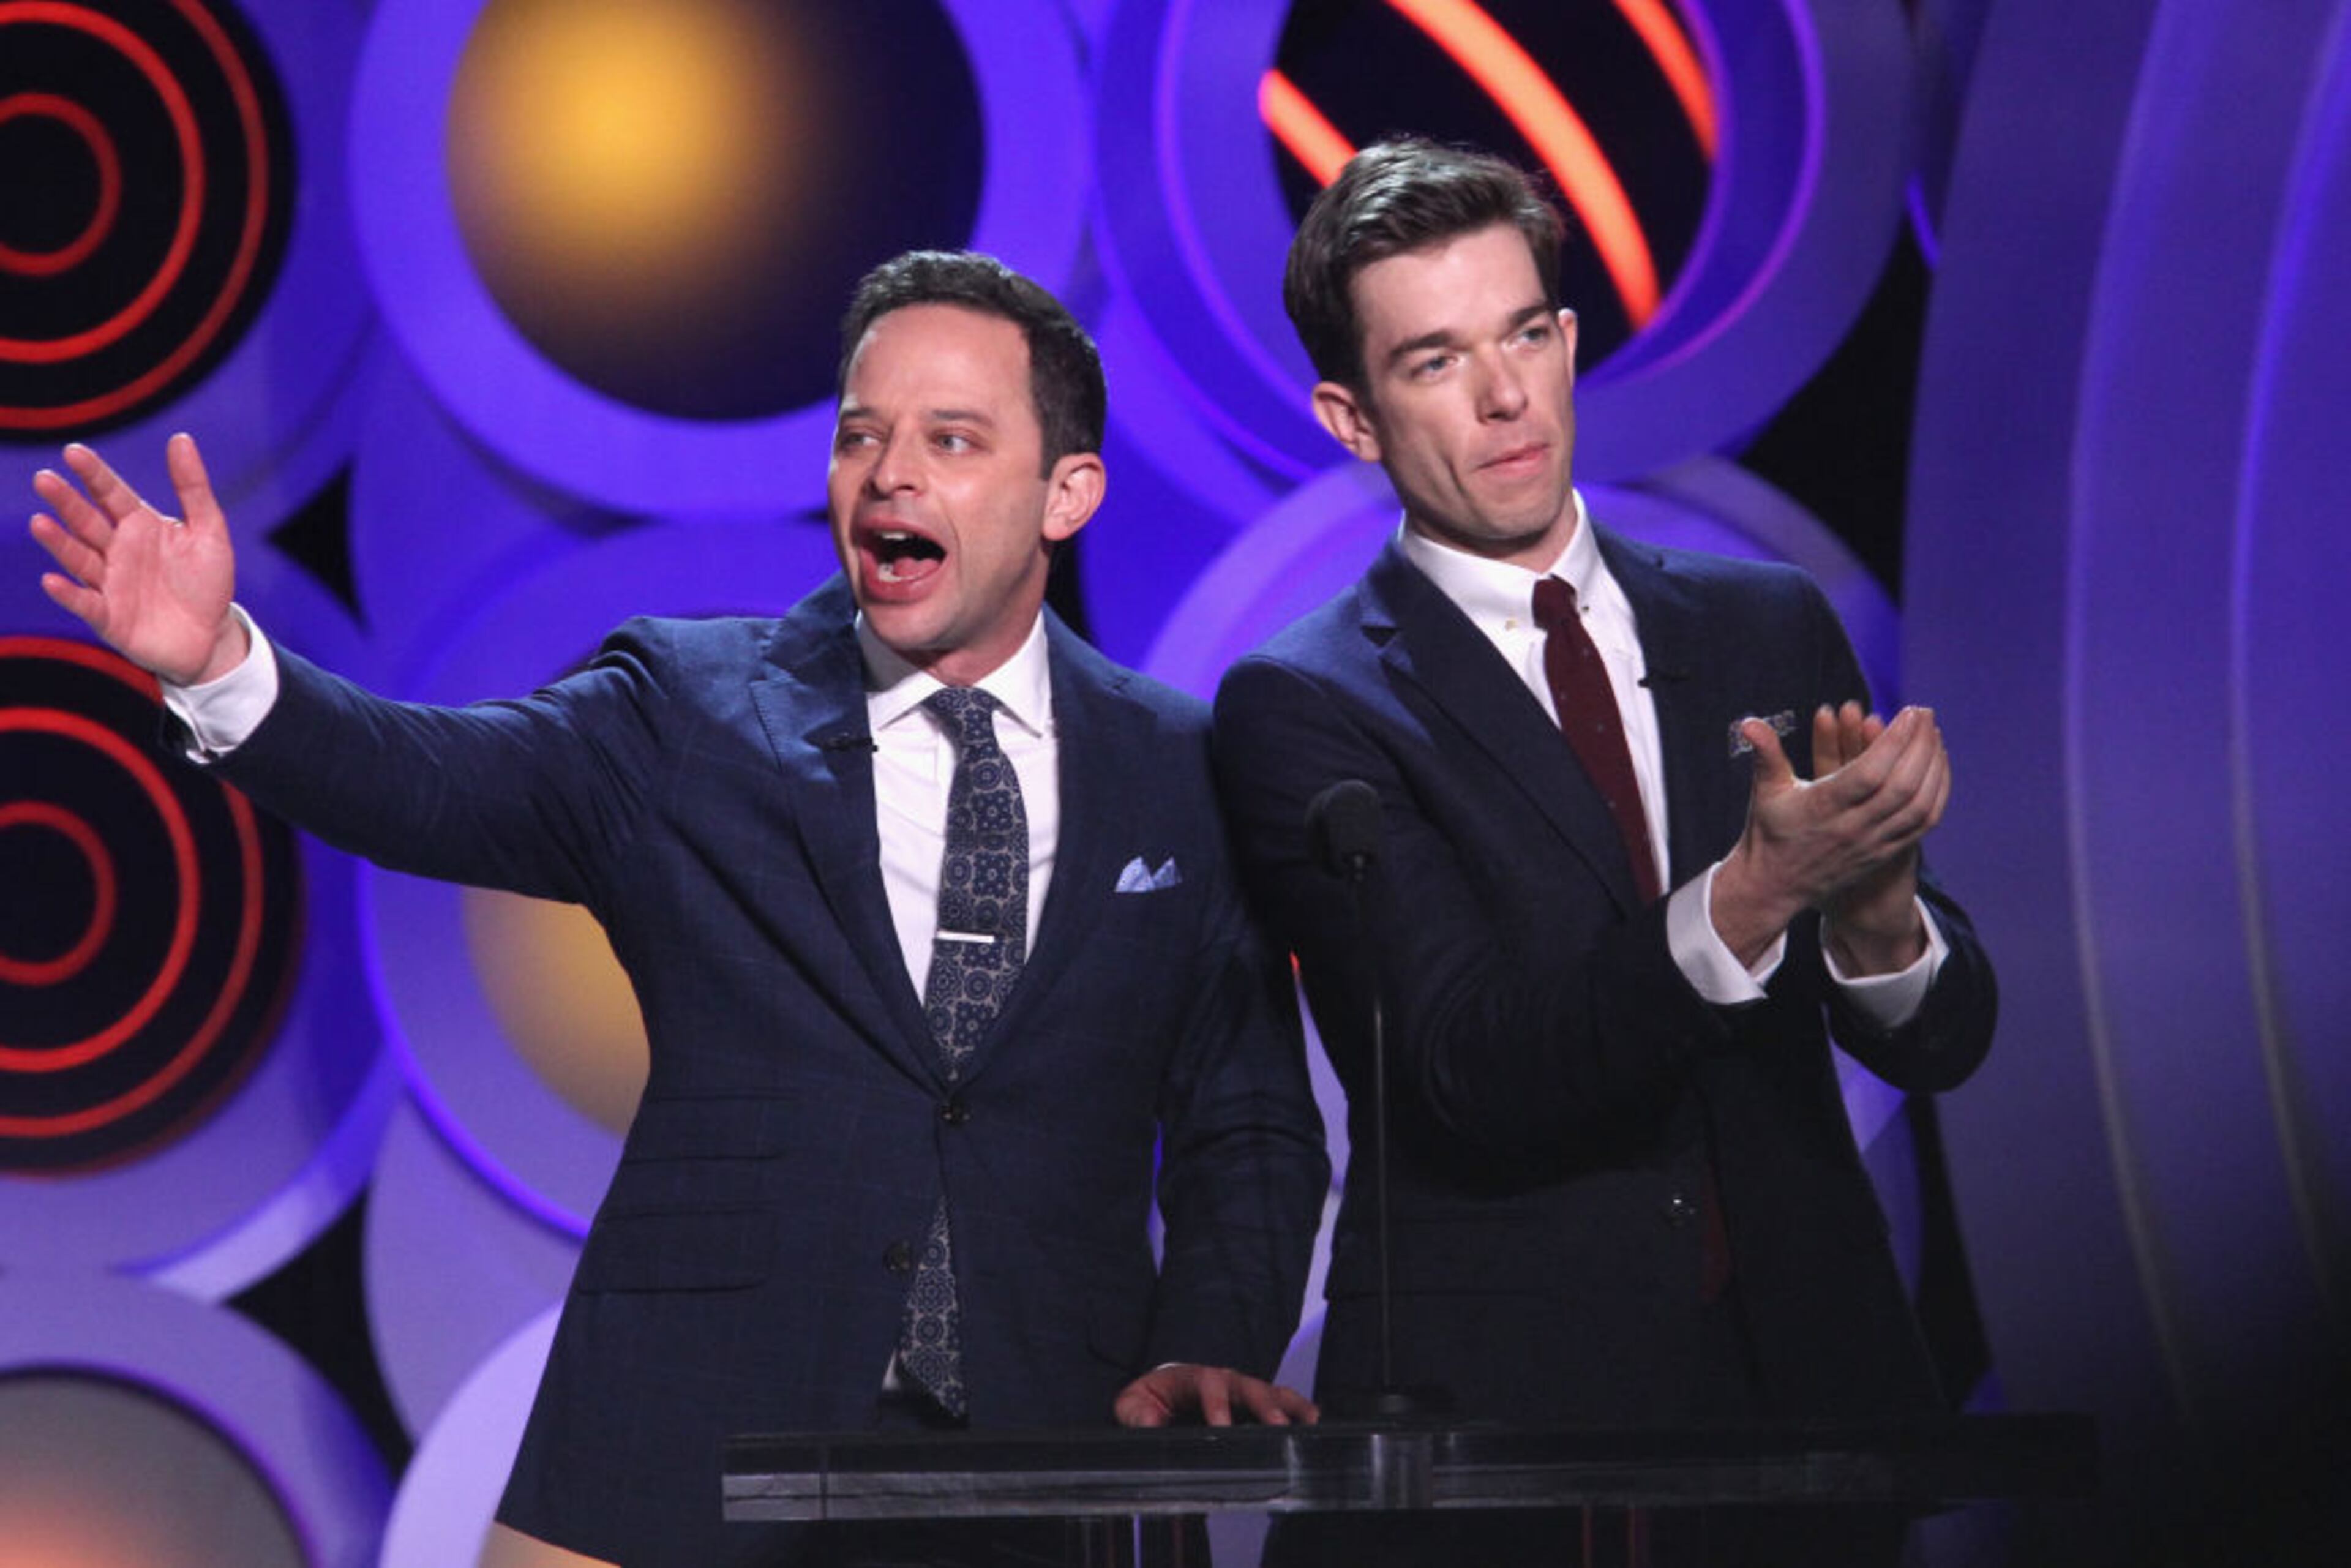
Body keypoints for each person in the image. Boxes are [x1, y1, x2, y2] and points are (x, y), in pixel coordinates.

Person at [31, 251, 1329, 1568]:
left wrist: (1206, 1351)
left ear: (1069, 493)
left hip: (1040, 1457)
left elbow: (1254, 1128)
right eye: (861, 435)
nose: (890, 475)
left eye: (952, 439)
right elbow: (431, 783)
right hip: (691, 1442)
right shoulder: (690, 708)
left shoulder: (1179, 770)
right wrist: (223, 670)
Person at [1212, 141, 1997, 1564]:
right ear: (1353, 416)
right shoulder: (1304, 704)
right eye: (1437, 361)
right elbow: (1466, 1070)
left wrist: (1880, 913)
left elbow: (1941, 1044)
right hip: (1506, 1430)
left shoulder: (1764, 623)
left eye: (1524, 336)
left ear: (1570, 345)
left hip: (1804, 1413)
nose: (1506, 397)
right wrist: (1759, 892)